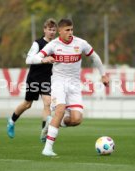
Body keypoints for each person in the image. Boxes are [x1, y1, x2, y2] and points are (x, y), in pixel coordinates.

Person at [27, 18, 109, 156]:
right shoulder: (53, 45)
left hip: (74, 85)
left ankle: (51, 123)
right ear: (60, 31)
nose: (70, 32)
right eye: (67, 30)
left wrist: (103, 75)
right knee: (60, 109)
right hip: (58, 82)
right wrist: (43, 59)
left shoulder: (80, 43)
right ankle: (47, 148)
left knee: (76, 119)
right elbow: (31, 59)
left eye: (71, 29)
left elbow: (95, 57)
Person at [7, 18, 57, 142]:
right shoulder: (37, 43)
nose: (52, 32)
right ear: (44, 30)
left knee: (47, 103)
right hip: (34, 78)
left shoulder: (56, 44)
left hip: (46, 79)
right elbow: (28, 60)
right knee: (27, 104)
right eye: (49, 29)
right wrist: (43, 59)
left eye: (54, 30)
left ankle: (44, 133)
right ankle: (11, 121)